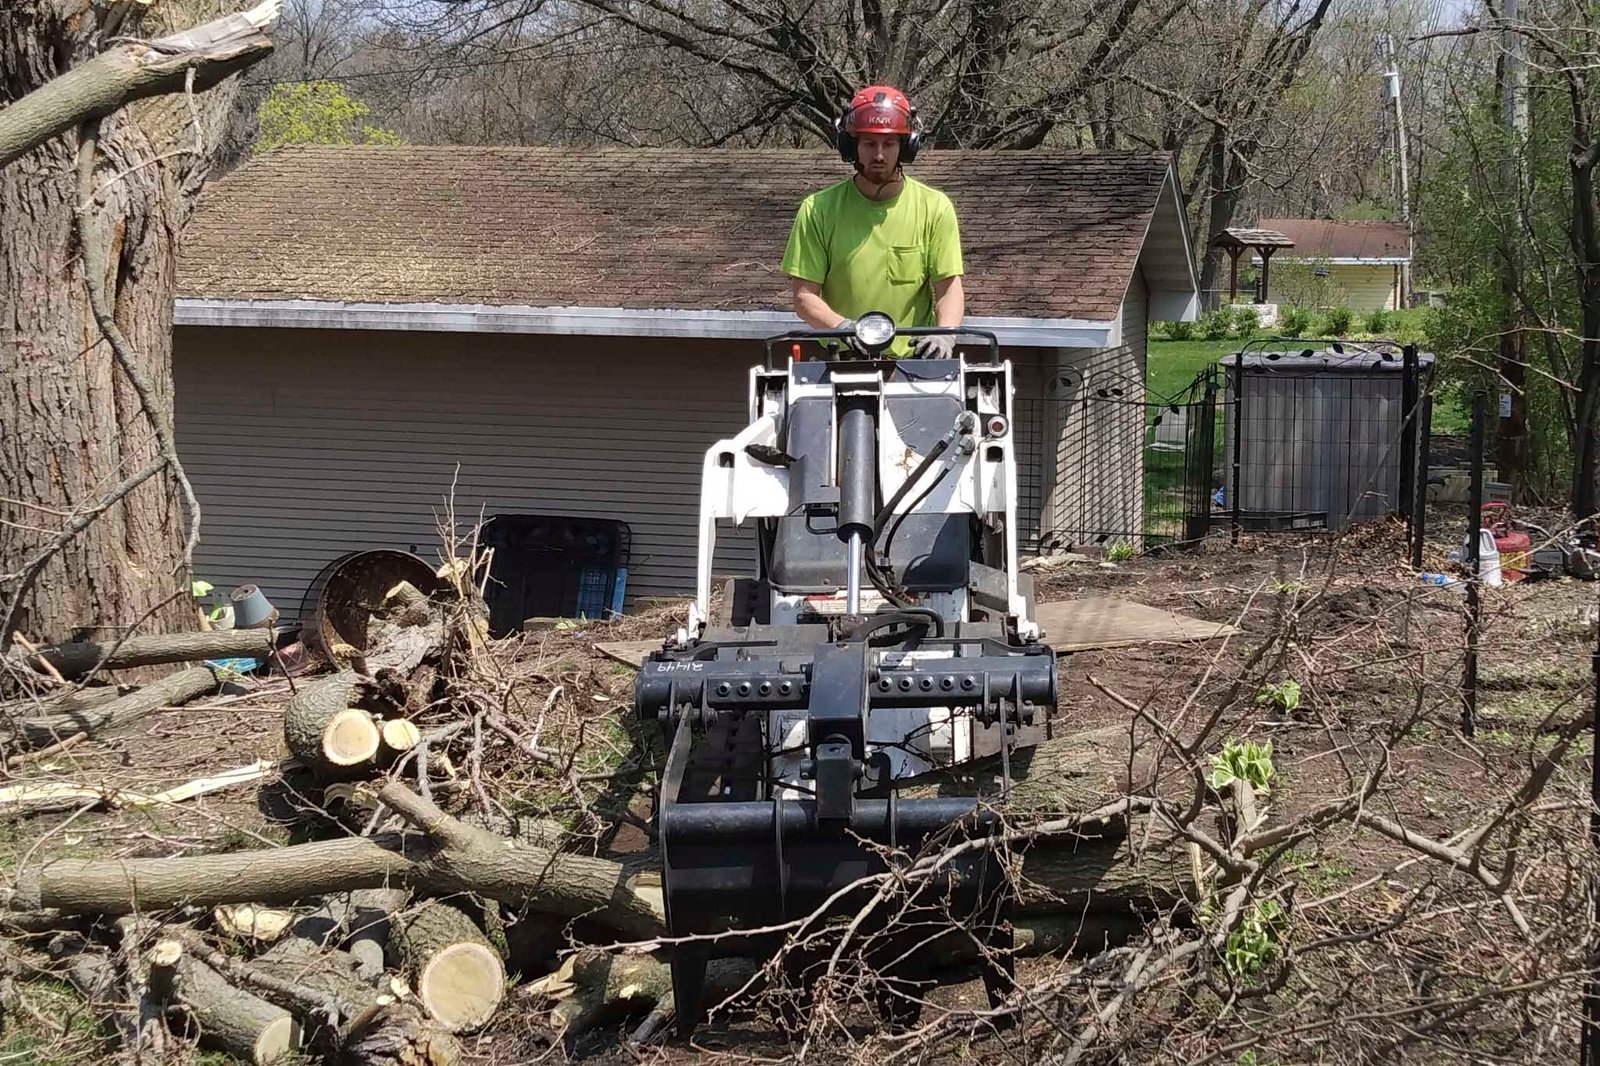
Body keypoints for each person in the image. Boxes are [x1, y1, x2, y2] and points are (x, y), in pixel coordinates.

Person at [781, 85, 965, 358]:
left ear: (906, 146)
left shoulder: (935, 208)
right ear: (850, 146)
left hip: (914, 366)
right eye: (869, 143)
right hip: (841, 363)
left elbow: (949, 288)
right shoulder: (817, 210)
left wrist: (944, 334)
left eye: (889, 143)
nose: (879, 154)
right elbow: (804, 297)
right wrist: (842, 327)